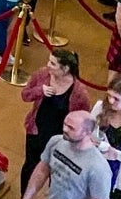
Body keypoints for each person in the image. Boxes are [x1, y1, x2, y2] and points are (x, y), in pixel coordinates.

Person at [19, 111, 113, 199]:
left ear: (87, 133)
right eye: (65, 124)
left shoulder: (98, 167)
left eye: (71, 128)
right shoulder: (56, 141)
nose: (65, 129)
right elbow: (42, 170)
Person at [21, 50, 93, 191]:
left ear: (65, 69)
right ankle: (24, 198)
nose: (48, 65)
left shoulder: (79, 92)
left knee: (56, 173)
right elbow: (25, 95)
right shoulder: (42, 75)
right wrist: (40, 91)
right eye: (49, 61)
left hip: (61, 139)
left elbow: (84, 120)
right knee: (30, 166)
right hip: (36, 132)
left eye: (53, 63)